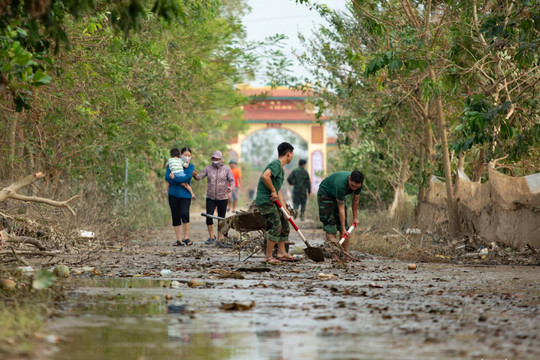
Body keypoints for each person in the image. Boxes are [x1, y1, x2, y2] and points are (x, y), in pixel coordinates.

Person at [255, 142, 298, 264]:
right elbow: (265, 176)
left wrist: (284, 209)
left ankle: (282, 252)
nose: (292, 157)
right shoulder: (276, 165)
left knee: (285, 222)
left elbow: (278, 189)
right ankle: (268, 257)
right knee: (276, 225)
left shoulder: (281, 169)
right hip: (266, 200)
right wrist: (272, 190)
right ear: (289, 154)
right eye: (292, 154)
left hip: (273, 201)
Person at [193, 150, 234, 246]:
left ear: (221, 159)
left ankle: (219, 240)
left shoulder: (226, 169)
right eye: (213, 158)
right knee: (209, 216)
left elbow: (232, 180)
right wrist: (195, 176)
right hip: (210, 197)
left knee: (221, 218)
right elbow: (199, 177)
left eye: (217, 158)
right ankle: (211, 237)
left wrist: (230, 187)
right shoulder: (208, 168)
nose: (215, 160)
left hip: (223, 197)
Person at [317, 170, 364, 254]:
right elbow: (341, 208)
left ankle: (345, 253)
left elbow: (356, 200)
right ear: (349, 179)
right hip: (326, 194)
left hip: (338, 196)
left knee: (345, 228)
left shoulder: (358, 185)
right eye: (352, 186)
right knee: (330, 227)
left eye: (356, 187)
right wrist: (342, 228)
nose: (353, 189)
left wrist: (355, 218)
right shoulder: (340, 185)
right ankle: (335, 254)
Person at [165, 147, 195, 246]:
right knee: (175, 215)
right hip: (173, 194)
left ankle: (186, 237)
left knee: (185, 214)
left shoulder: (190, 167)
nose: (187, 157)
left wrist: (174, 179)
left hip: (185, 195)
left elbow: (187, 178)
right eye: (185, 155)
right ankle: (179, 240)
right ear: (180, 155)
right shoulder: (171, 164)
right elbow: (166, 177)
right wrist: (181, 181)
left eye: (189, 155)